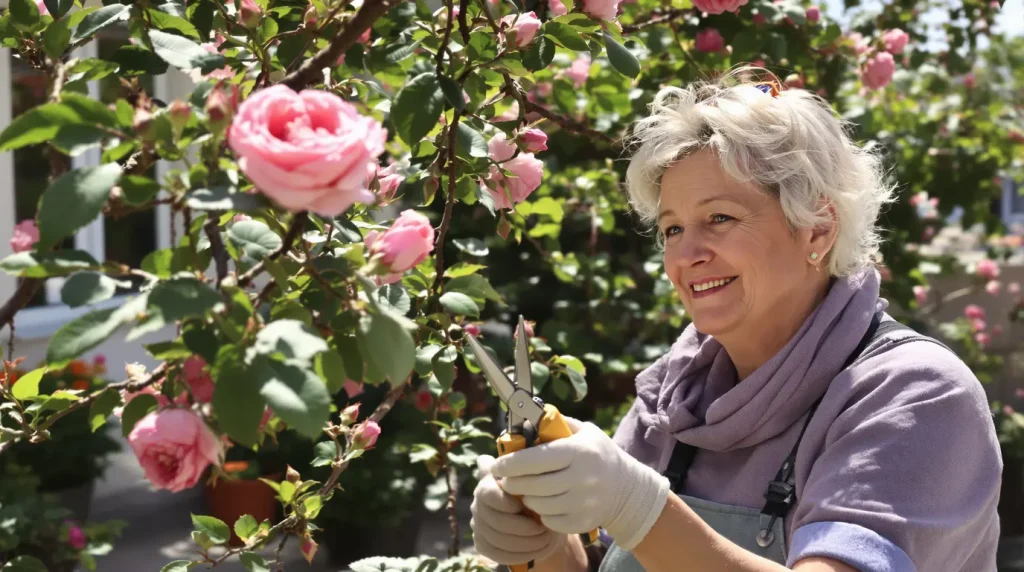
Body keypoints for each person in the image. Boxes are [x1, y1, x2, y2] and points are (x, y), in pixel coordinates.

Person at [469, 68, 1002, 572]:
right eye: (673, 229)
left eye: (719, 218)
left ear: (817, 227)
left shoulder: (917, 396)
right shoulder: (676, 394)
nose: (687, 255)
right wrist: (541, 543)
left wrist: (639, 507)